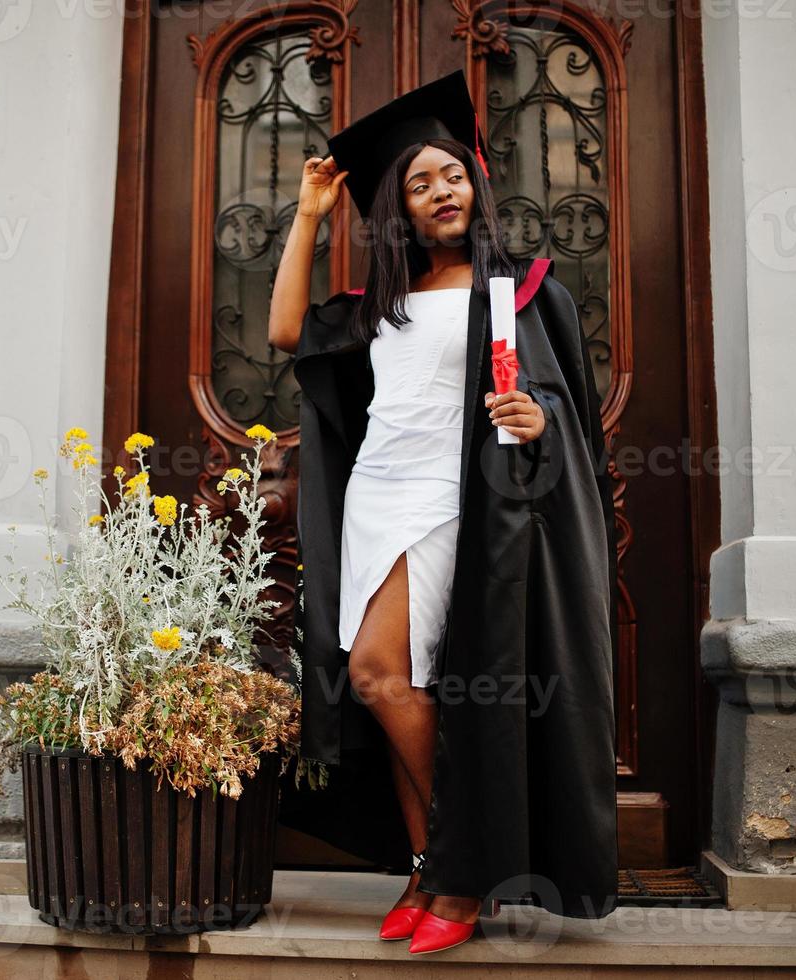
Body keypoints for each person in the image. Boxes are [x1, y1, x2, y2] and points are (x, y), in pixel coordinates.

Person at [269, 69, 619, 955]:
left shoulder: (527, 293)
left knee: (380, 674)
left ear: (476, 182)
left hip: (453, 502)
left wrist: (538, 418)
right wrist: (310, 211)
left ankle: (464, 873)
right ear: (401, 209)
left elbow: (566, 413)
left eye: (450, 174)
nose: (440, 193)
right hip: (373, 499)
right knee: (395, 685)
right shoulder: (379, 304)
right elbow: (281, 334)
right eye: (419, 184)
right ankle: (430, 867)